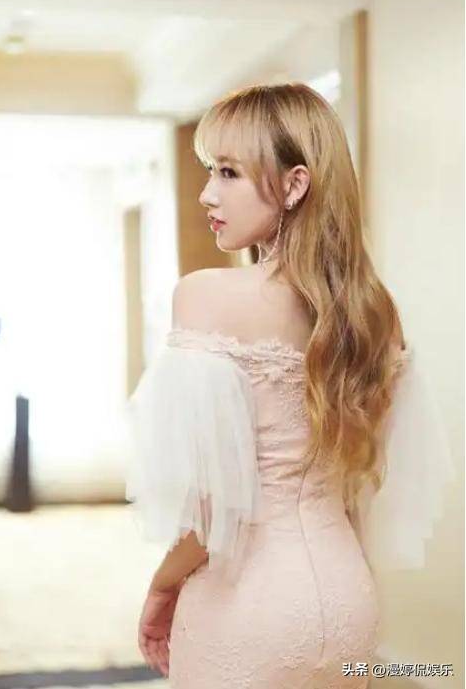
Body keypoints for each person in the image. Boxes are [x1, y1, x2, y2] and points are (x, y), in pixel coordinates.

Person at [123, 83, 455, 688]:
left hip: (246, 605)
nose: (207, 193)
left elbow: (211, 509)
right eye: (210, 170)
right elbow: (361, 486)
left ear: (295, 184)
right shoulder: (376, 313)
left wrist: (163, 584)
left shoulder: (205, 295)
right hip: (348, 596)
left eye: (228, 172)